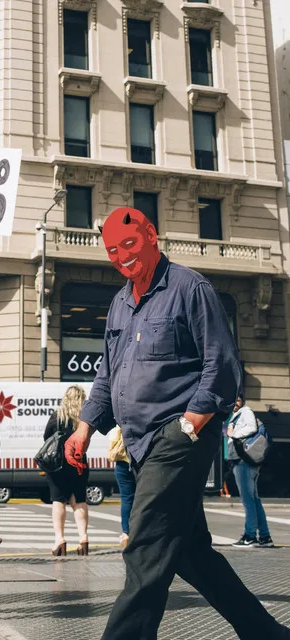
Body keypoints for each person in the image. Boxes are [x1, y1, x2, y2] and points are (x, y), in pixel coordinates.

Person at [64, 207, 290, 640]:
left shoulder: (190, 288)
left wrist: (191, 421)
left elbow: (221, 365)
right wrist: (84, 425)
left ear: (151, 235)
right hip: (139, 444)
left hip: (177, 436)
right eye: (113, 250)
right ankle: (264, 632)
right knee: (189, 553)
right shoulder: (119, 302)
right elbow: (108, 374)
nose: (122, 256)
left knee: (146, 545)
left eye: (129, 244)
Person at [42, 385, 89, 557]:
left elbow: (47, 437)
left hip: (59, 465)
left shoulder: (58, 416)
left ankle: (59, 539)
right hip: (79, 463)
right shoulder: (84, 418)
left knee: (58, 500)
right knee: (80, 500)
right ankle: (83, 539)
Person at [226, 394, 274, 549]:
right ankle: (265, 537)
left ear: (242, 402)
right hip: (244, 461)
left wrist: (233, 434)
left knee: (248, 500)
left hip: (244, 461)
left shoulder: (245, 411)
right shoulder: (235, 415)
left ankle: (250, 536)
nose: (235, 403)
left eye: (238, 400)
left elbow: (252, 428)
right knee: (254, 500)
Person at [107, 426, 135, 550]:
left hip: (123, 462)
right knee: (144, 497)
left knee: (126, 498)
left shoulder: (121, 422)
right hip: (142, 462)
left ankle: (126, 533)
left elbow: (113, 439)